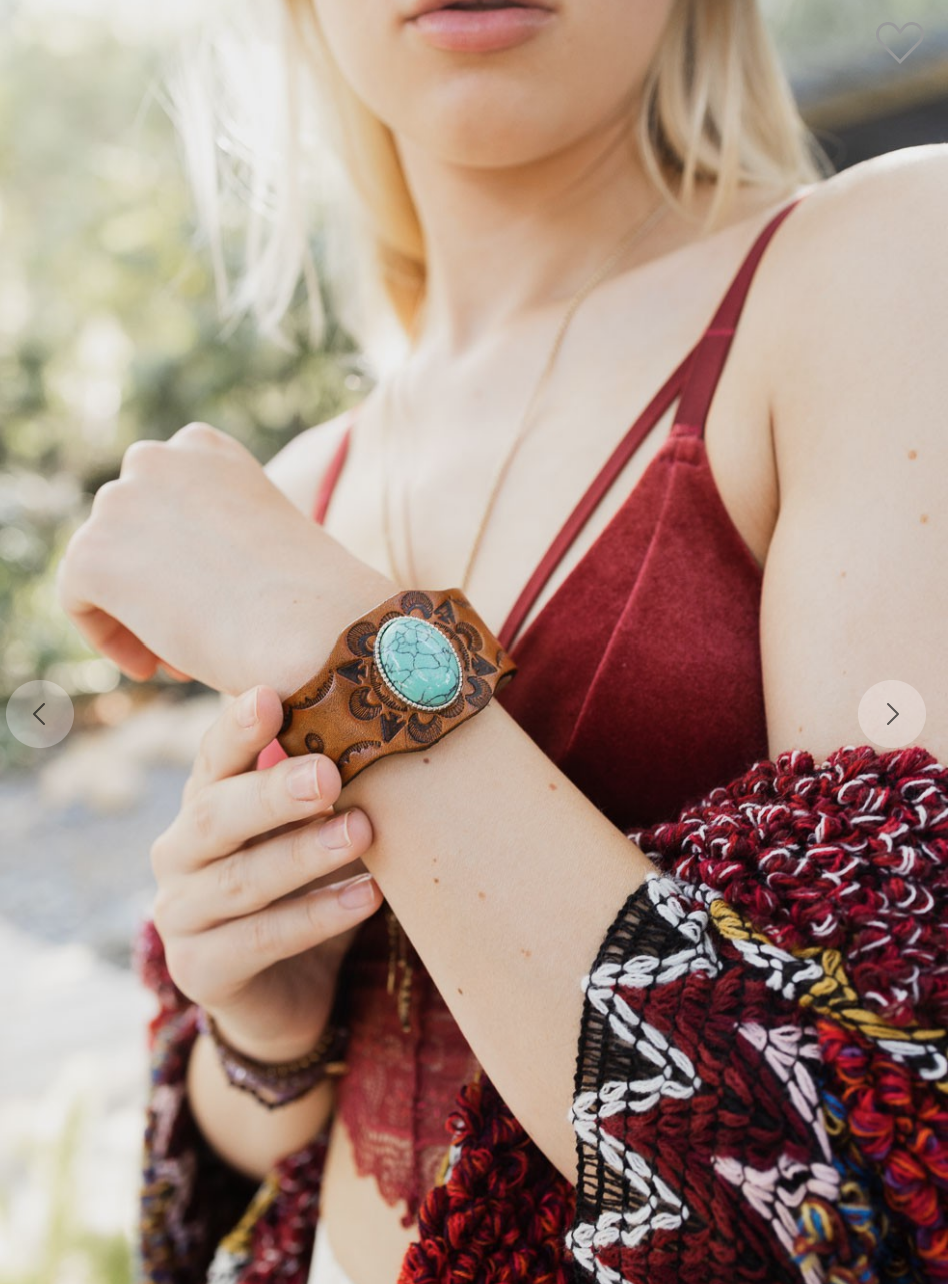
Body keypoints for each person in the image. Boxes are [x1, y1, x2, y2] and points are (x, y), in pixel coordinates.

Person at [55, 1, 948, 1281]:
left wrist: (339, 652)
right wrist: (262, 1027)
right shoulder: (297, 488)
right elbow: (222, 1191)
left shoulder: (885, 266)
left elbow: (866, 1186)